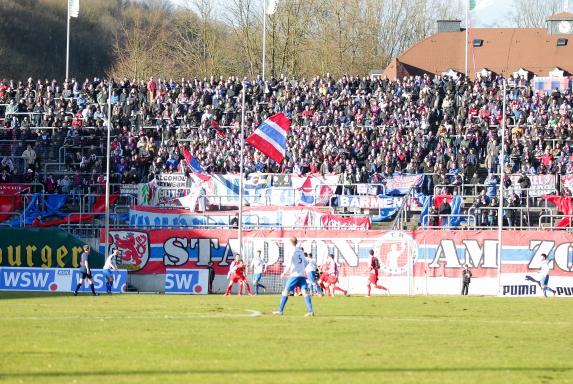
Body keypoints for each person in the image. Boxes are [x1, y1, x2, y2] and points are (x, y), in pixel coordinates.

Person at [273, 237, 314, 316]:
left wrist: (284, 272)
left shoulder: (291, 250)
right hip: (301, 275)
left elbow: (289, 263)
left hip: (294, 275)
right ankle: (310, 311)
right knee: (305, 292)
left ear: (290, 242)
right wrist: (301, 269)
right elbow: (306, 262)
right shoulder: (301, 251)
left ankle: (280, 311)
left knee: (285, 292)